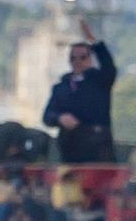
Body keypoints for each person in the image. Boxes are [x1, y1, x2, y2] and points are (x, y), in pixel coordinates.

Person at [44, 17, 118, 164]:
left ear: (90, 58)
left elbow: (109, 67)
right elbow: (47, 115)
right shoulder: (61, 87)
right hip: (70, 150)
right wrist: (60, 118)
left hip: (98, 149)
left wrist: (93, 42)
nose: (78, 61)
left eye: (82, 57)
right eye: (73, 58)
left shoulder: (99, 81)